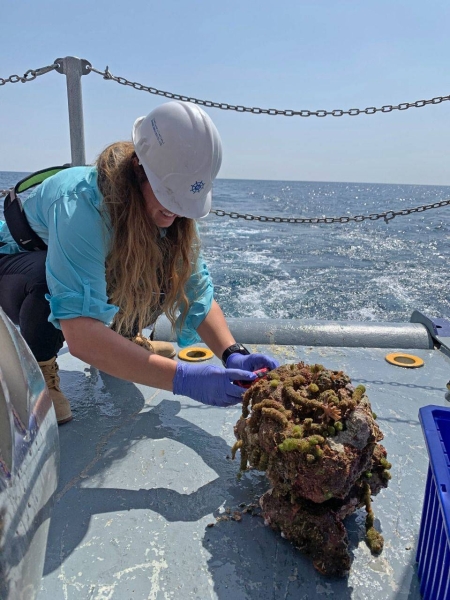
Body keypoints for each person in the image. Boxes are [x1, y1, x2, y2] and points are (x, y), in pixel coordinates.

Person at [0, 101, 278, 425]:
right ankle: (40, 370)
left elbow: (197, 290)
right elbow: (80, 333)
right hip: (14, 264)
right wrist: (183, 379)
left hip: (69, 261)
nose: (174, 212)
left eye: (182, 202)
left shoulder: (170, 213)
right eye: (167, 195)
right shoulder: (81, 207)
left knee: (170, 265)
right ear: (137, 168)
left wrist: (234, 353)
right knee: (47, 278)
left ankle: (123, 342)